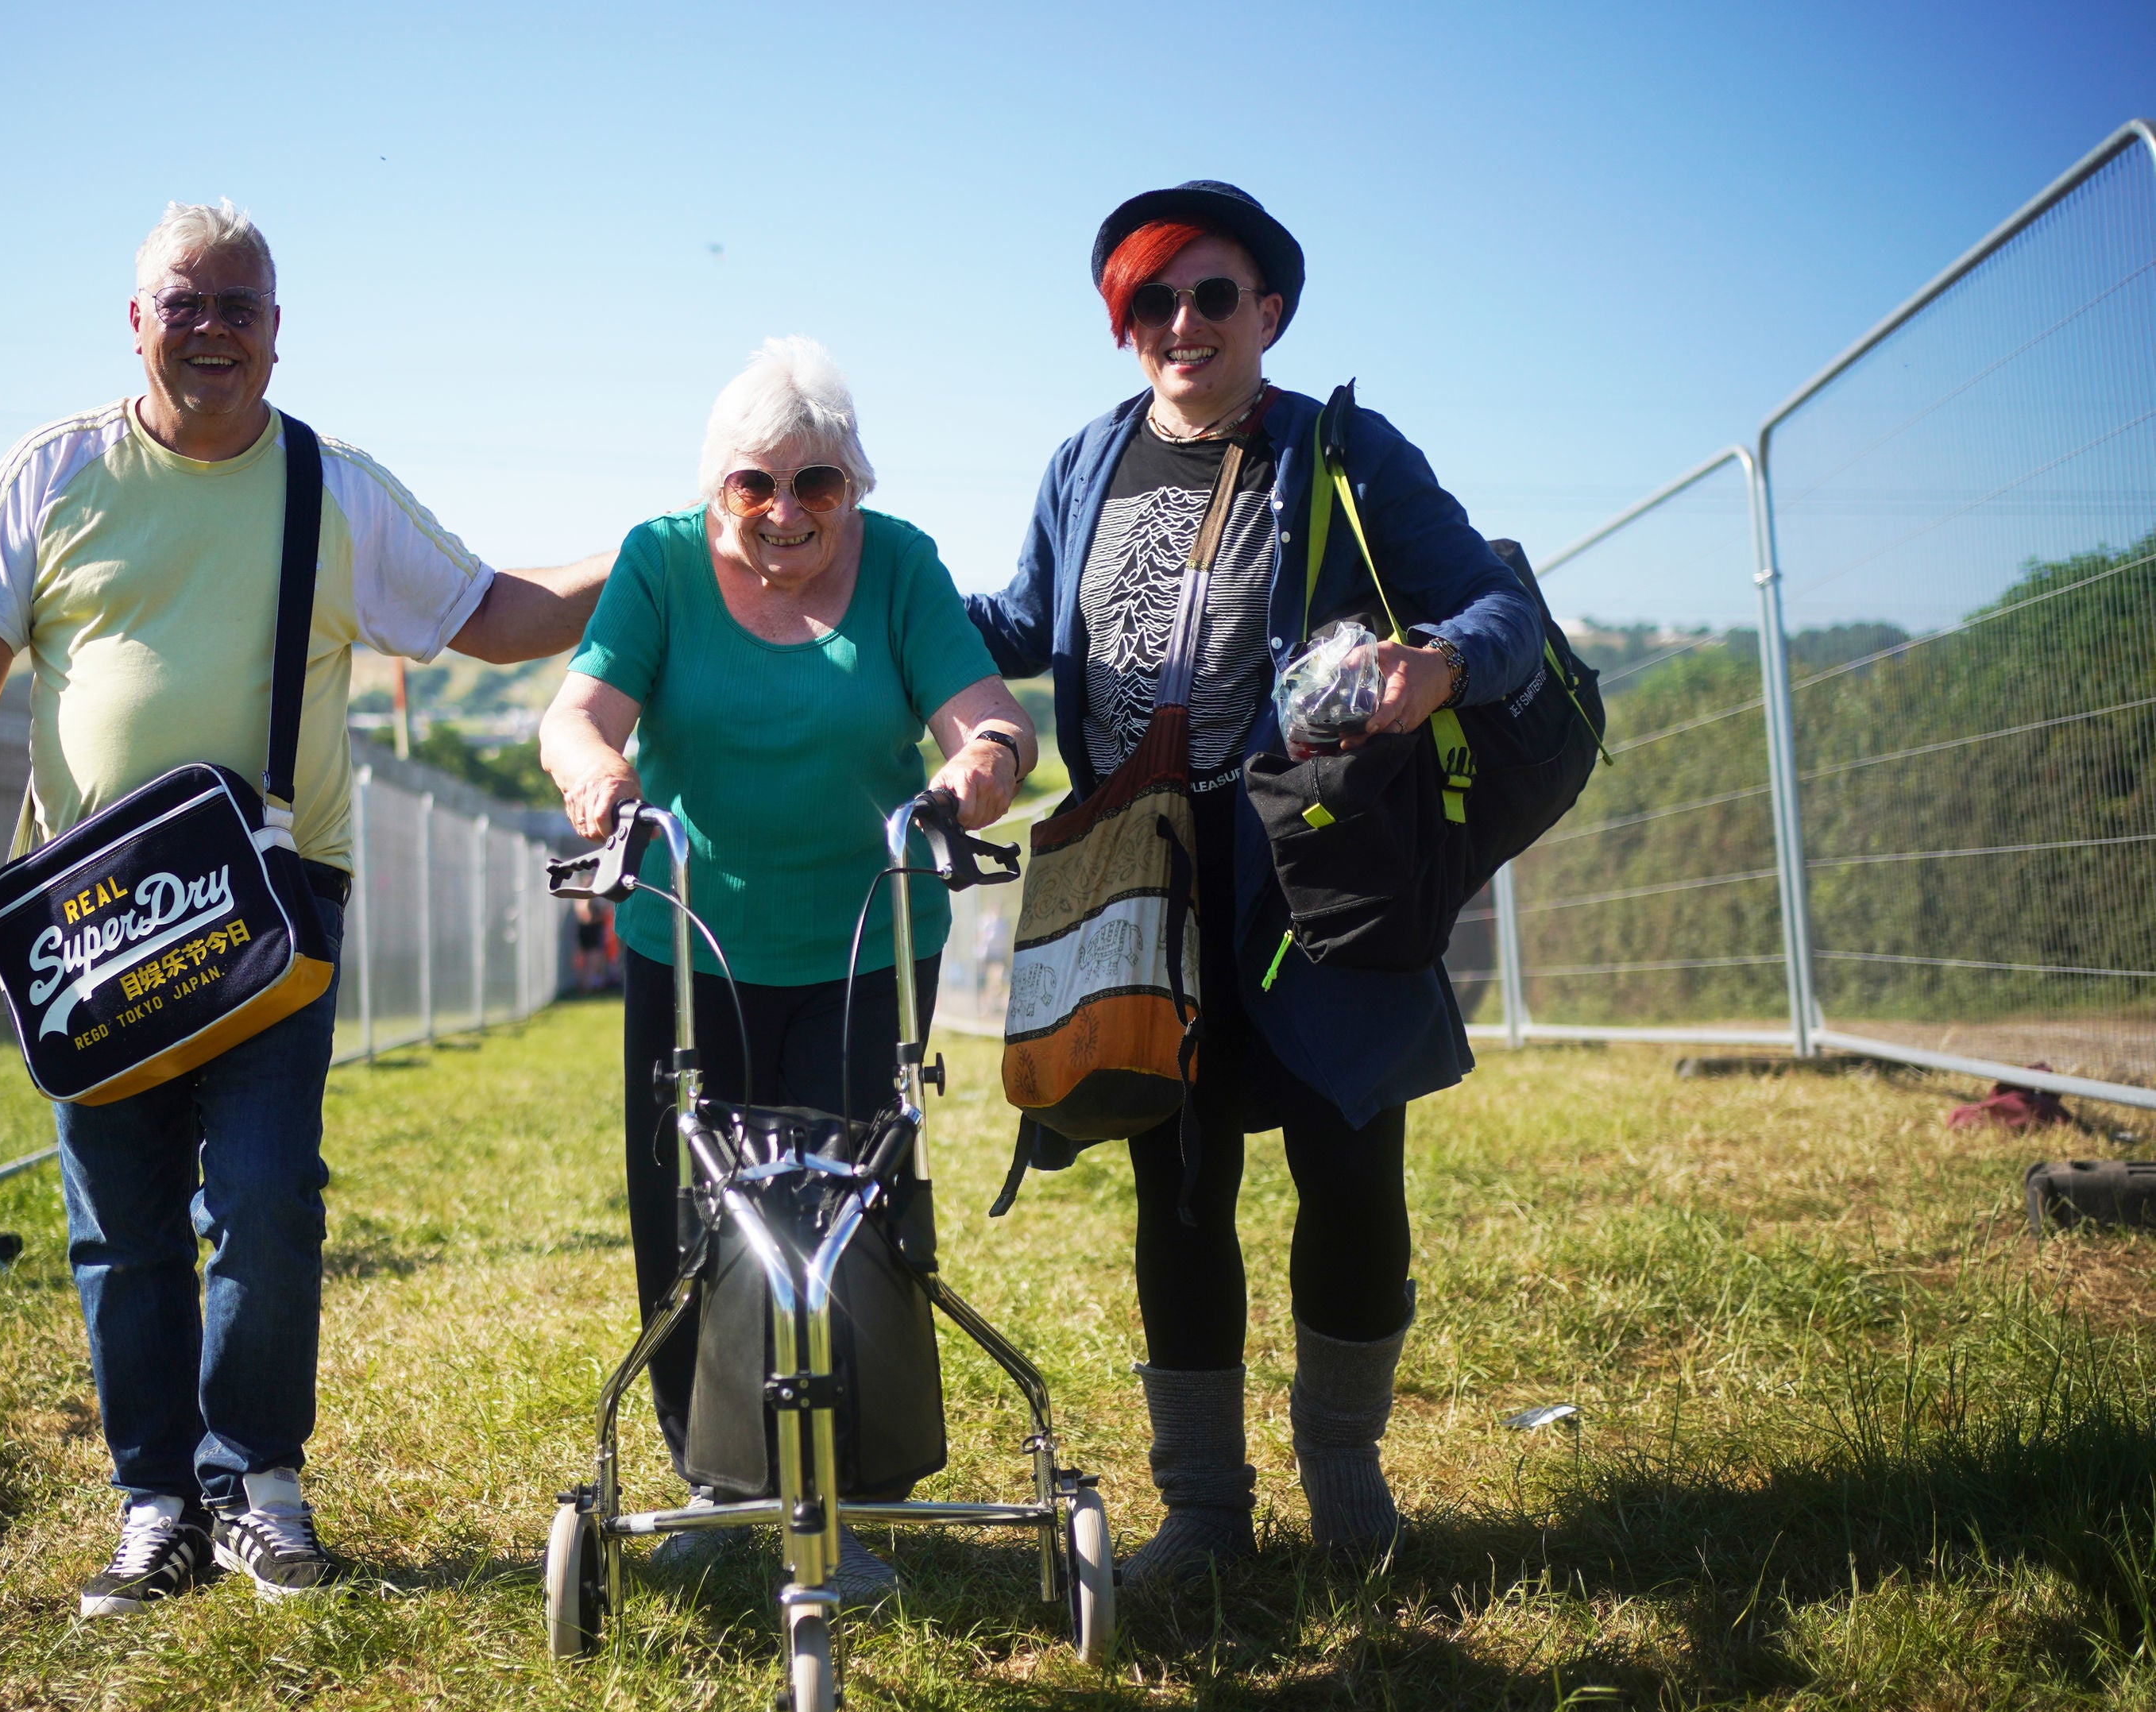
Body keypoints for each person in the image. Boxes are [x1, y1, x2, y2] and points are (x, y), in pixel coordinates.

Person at [0, 201, 610, 1617]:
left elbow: (498, 612)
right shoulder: (51, 475)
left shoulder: (331, 488)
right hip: (92, 918)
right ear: (136, 318)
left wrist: (653, 556)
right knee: (122, 1221)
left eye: (241, 307)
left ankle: (257, 1483)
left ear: (280, 329)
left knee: (267, 1199)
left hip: (274, 904)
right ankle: (155, 1502)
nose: (213, 328)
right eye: (186, 302)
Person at [967, 184, 1540, 1582]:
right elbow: (1021, 620)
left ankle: (1346, 1474)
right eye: (1152, 301)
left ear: (1267, 311)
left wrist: (1436, 663)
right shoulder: (1082, 463)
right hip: (1145, 883)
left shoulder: (1338, 451)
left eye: (1211, 294)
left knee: (1353, 1168)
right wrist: (872, 596)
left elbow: (1504, 606)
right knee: (1174, 1180)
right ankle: (1206, 1512)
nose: (1183, 322)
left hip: (1317, 869)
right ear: (1124, 326)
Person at [540, 338, 1037, 1602]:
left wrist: (978, 763)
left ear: (854, 487)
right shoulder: (658, 562)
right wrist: (599, 775)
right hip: (692, 939)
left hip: (867, 938)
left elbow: (988, 713)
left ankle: (852, 1489)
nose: (785, 511)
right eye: (755, 484)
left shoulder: (903, 564)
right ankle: (710, 1472)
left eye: (818, 483)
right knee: (691, 1213)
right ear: (716, 486)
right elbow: (578, 709)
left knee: (852, 1217)